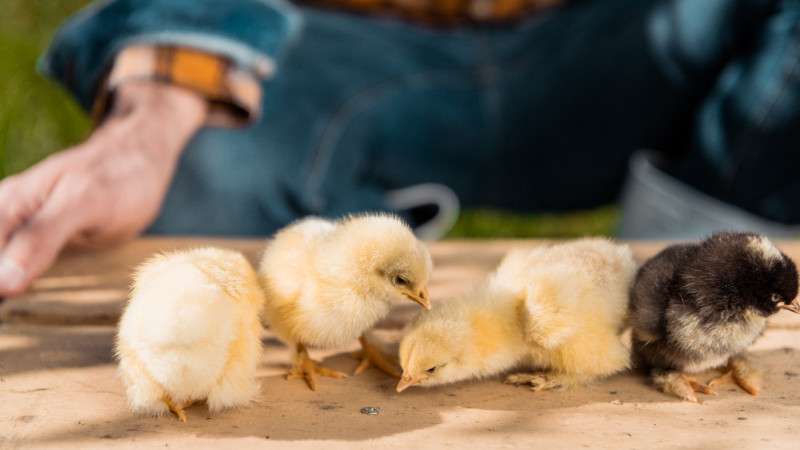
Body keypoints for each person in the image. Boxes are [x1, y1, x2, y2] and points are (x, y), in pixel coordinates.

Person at [0, 0, 798, 296]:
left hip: (621, 35)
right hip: (350, 41)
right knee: (205, 177)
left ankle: (685, 301)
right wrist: (151, 122)